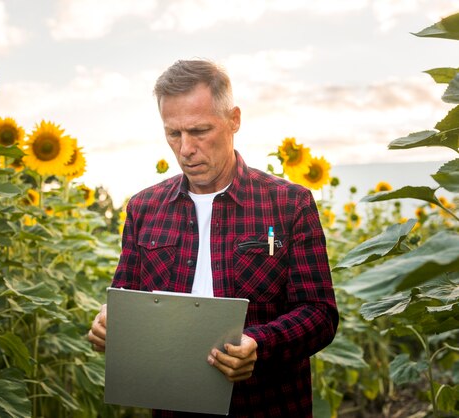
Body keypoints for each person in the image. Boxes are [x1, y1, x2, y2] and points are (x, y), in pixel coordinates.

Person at [88, 59, 338, 417]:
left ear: (234, 120)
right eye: (173, 134)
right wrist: (111, 322)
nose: (185, 149)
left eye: (199, 130)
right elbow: (126, 297)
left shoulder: (288, 203)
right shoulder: (144, 207)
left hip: (267, 405)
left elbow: (320, 314)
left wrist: (259, 345)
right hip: (173, 407)